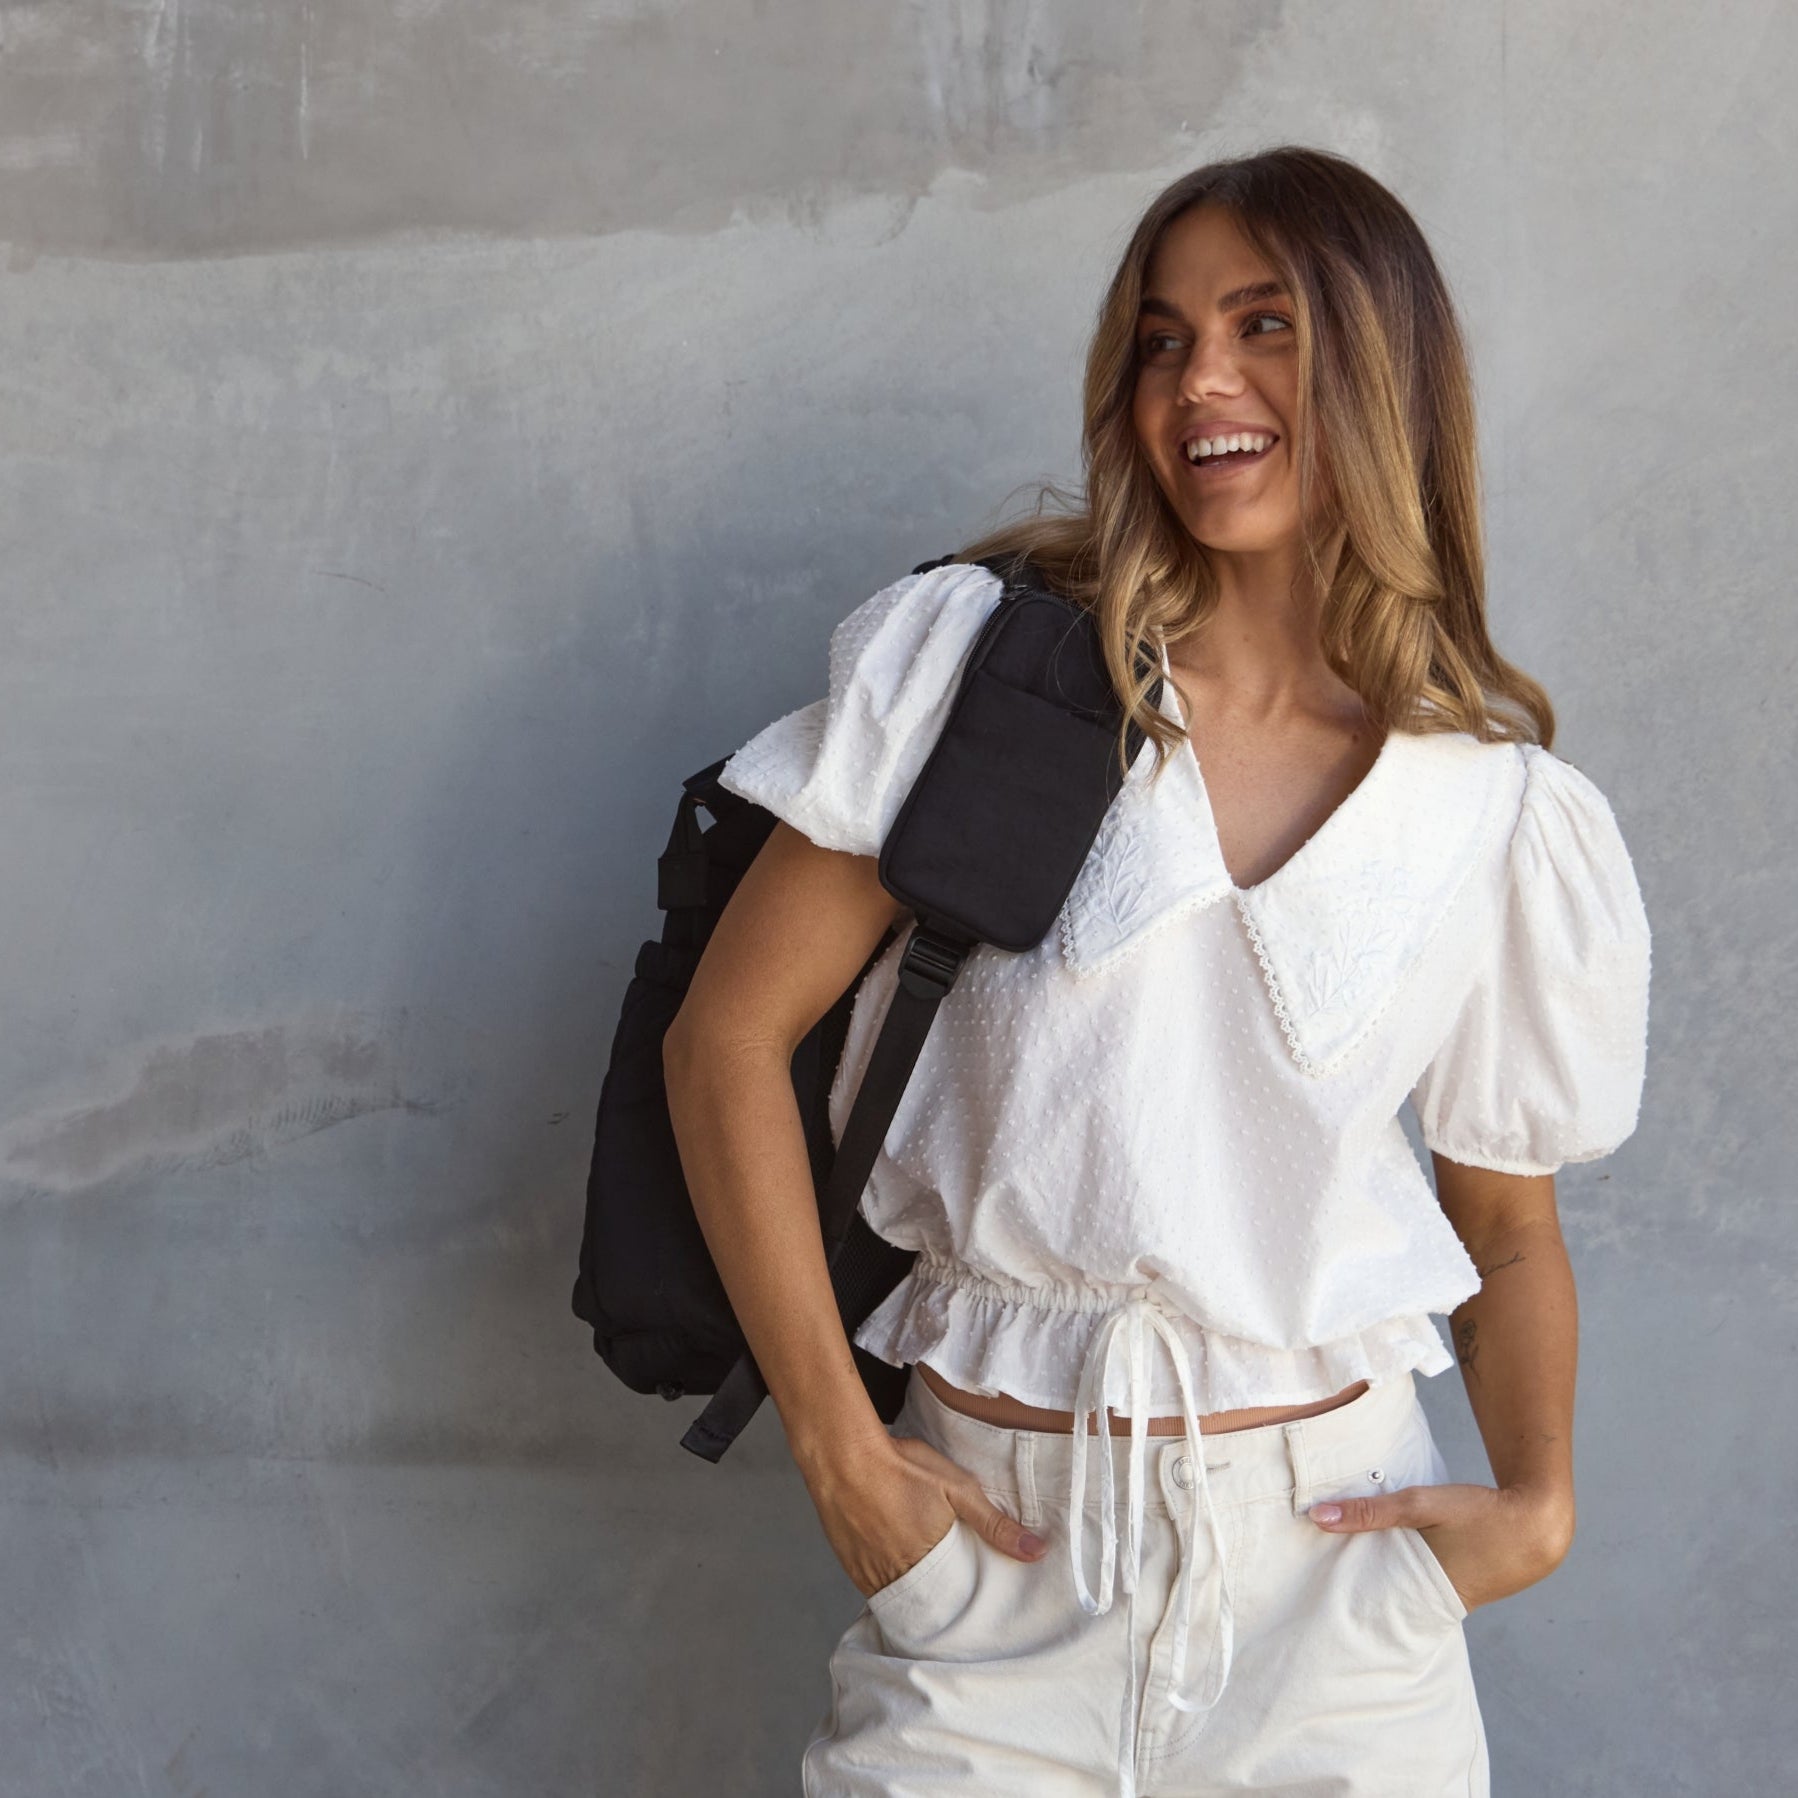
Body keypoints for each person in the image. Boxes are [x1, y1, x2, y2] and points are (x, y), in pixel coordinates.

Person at [661, 145, 1651, 1798]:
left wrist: (1535, 1499)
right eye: (1162, 336)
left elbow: (1506, 1225)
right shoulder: (988, 679)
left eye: (1265, 326)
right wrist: (844, 1452)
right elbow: (725, 1043)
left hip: (1335, 1590)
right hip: (994, 1562)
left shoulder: (1497, 810)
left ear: (1381, 366)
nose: (1202, 380)